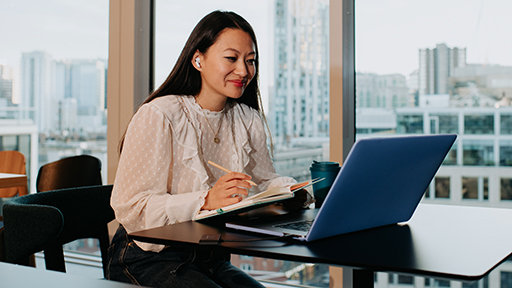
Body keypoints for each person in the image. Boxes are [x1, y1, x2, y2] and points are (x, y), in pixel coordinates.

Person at [107, 10, 311, 288]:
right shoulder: (160, 114)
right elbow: (131, 208)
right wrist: (206, 200)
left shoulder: (247, 118)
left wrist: (292, 190)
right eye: (232, 58)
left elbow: (263, 181)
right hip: (147, 256)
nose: (244, 71)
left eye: (250, 61)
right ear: (198, 58)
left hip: (210, 258)